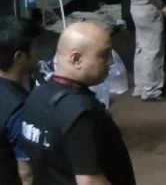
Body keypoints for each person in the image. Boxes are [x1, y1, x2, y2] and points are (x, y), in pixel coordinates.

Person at [18, 22, 136, 185]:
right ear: (76, 59)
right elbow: (90, 181)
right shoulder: (81, 114)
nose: (109, 62)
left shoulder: (36, 97)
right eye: (104, 55)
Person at [1, 17, 38, 185]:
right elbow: (26, 173)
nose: (38, 52)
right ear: (19, 57)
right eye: (35, 47)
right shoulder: (18, 108)